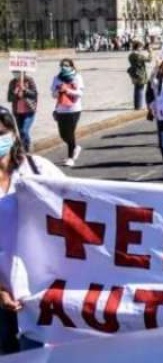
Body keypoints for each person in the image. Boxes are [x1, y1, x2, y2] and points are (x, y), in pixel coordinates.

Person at [0, 106, 64, 353]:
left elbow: (75, 209)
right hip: (3, 295)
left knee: (38, 354)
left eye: (1, 133)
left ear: (14, 134)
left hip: (40, 290)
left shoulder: (38, 169)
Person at [50, 58, 84, 168]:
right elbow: (53, 94)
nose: (64, 67)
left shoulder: (77, 77)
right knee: (63, 134)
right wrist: (57, 91)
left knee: (70, 133)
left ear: (72, 66)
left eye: (67, 65)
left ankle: (70, 157)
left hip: (74, 109)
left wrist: (68, 90)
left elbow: (80, 93)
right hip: (61, 109)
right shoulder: (57, 78)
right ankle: (75, 147)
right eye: (62, 65)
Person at [6, 74, 37, 153]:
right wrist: (15, 93)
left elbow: (34, 94)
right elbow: (9, 98)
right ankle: (25, 150)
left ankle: (25, 147)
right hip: (18, 112)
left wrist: (25, 90)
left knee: (24, 131)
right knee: (20, 132)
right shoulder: (12, 82)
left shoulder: (29, 80)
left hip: (29, 111)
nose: (17, 74)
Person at [127, 41, 151, 110]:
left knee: (137, 89)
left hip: (134, 73)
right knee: (140, 89)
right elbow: (149, 60)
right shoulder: (138, 55)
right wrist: (150, 52)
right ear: (138, 47)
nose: (141, 48)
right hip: (140, 74)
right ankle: (139, 106)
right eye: (141, 47)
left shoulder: (131, 55)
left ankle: (137, 105)